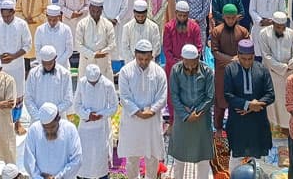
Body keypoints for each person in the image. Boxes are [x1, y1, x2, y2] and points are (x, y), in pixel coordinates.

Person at [118, 39, 168, 179]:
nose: (143, 62)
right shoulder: (125, 71)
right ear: (135, 55)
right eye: (140, 59)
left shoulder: (159, 72)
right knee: (132, 158)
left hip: (151, 121)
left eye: (147, 59)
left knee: (152, 157)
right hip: (132, 120)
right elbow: (124, 97)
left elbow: (162, 97)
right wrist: (138, 112)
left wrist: (152, 110)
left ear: (152, 56)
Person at [223, 38, 274, 169]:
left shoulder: (262, 69)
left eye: (250, 59)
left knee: (257, 157)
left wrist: (253, 106)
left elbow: (270, 94)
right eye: (243, 59)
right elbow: (228, 95)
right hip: (238, 121)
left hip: (257, 120)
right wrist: (247, 104)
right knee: (236, 156)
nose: (247, 62)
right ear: (238, 55)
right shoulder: (230, 69)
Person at [0, 0, 32, 135]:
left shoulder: (22, 25)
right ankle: (1, 124)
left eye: (8, 16)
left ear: (13, 12)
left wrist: (13, 56)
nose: (5, 19)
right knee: (0, 95)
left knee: (17, 95)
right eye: (3, 16)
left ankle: (17, 123)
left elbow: (27, 45)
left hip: (17, 67)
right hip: (0, 69)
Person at [168, 43, 215, 179]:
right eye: (186, 64)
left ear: (197, 59)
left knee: (203, 156)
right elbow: (174, 95)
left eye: (192, 64)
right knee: (179, 156)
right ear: (182, 59)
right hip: (183, 120)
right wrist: (185, 114)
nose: (189, 67)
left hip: (201, 119)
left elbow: (210, 96)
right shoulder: (176, 70)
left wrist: (197, 112)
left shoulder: (207, 71)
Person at [257, 10, 293, 135]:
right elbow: (266, 55)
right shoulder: (264, 34)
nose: (281, 30)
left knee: (287, 100)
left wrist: (288, 66)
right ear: (273, 24)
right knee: (272, 102)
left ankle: (286, 127)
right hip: (271, 73)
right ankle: (271, 126)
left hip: (288, 74)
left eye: (283, 27)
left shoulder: (291, 34)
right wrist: (281, 67)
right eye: (278, 27)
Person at [74, 64, 117, 179]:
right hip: (85, 129)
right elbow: (76, 105)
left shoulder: (108, 85)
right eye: (90, 82)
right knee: (85, 157)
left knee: (101, 158)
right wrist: (87, 115)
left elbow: (114, 107)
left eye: (95, 82)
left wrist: (101, 115)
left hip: (101, 128)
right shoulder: (82, 83)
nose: (93, 84)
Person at [22, 102, 83, 179]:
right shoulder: (34, 129)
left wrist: (59, 177)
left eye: (52, 127)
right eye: (45, 128)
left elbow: (77, 159)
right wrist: (38, 177)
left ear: (58, 119)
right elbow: (28, 160)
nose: (49, 130)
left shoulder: (70, 129)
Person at [76, 0, 116, 81]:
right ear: (90, 8)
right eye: (93, 11)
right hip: (86, 62)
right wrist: (93, 55)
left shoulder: (108, 24)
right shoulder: (82, 24)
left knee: (105, 91)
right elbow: (78, 45)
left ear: (102, 10)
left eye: (98, 11)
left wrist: (101, 53)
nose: (95, 13)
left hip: (103, 62)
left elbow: (112, 45)